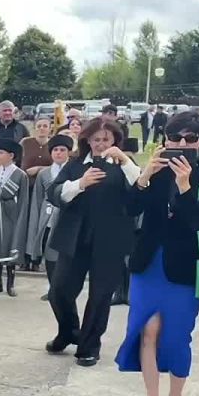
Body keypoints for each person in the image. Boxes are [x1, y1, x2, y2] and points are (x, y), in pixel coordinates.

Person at [116, 111, 199, 396]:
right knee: (147, 332)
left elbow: (196, 222)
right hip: (147, 264)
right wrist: (144, 177)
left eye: (190, 139)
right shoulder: (155, 171)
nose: (181, 144)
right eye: (175, 138)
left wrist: (184, 185)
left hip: (183, 270)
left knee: (177, 337)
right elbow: (130, 208)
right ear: (165, 139)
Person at [45, 118, 141, 367]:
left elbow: (141, 188)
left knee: (100, 296)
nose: (100, 144)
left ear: (115, 142)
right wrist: (80, 184)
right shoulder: (75, 165)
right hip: (75, 238)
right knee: (60, 291)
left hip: (110, 241)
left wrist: (126, 161)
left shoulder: (124, 166)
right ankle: (68, 332)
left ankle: (89, 347)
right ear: (87, 140)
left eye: (106, 140)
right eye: (96, 139)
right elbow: (54, 193)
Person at [27, 135, 72, 301]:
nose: (59, 153)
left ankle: (64, 289)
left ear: (69, 152)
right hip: (47, 216)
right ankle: (52, 288)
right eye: (55, 150)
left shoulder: (73, 170)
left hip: (66, 216)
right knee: (49, 253)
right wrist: (37, 221)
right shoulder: (44, 174)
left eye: (62, 150)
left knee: (64, 255)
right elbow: (37, 199)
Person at [0, 139, 30, 297]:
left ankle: (10, 284)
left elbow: (23, 199)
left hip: (11, 212)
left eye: (2, 153)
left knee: (10, 244)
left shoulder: (20, 175)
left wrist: (20, 217)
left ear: (11, 155)